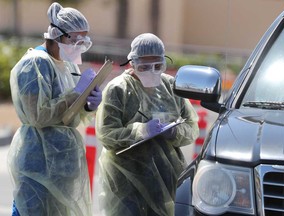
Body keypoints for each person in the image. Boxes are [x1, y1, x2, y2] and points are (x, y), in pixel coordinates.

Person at [7, 2, 102, 216]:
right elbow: (37, 115)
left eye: (83, 41)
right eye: (76, 40)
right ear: (58, 35)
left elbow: (68, 113)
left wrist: (88, 104)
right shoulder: (35, 64)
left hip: (62, 163)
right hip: (36, 163)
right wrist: (75, 94)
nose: (79, 46)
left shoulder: (68, 65)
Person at [95, 33, 199, 216]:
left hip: (166, 179)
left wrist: (174, 132)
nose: (152, 71)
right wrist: (140, 131)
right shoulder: (118, 89)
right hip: (125, 180)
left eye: (158, 66)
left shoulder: (171, 87)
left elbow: (191, 127)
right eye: (144, 67)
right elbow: (107, 134)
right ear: (132, 63)